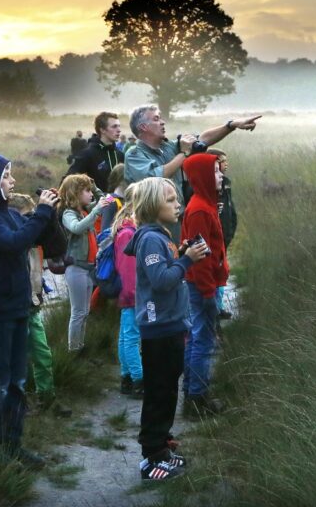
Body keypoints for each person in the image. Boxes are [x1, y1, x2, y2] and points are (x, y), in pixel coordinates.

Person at [0, 152, 58, 469]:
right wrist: (42, 214)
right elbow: (15, 243)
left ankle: (13, 443)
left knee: (18, 382)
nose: (13, 180)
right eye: (6, 175)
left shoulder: (11, 214)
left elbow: (50, 243)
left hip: (18, 306)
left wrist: (51, 213)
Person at [123, 177, 208, 481]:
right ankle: (152, 458)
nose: (178, 204)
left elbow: (162, 271)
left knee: (167, 388)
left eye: (176, 199)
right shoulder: (151, 239)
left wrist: (180, 254)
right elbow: (161, 281)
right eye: (170, 200)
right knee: (160, 391)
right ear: (151, 205)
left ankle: (161, 443)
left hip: (169, 325)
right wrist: (186, 261)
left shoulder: (160, 235)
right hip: (159, 328)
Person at [125, 105, 261, 242]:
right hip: (154, 225)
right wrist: (185, 153)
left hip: (178, 219)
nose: (162, 122)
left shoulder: (168, 147)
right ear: (143, 127)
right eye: (156, 119)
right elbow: (156, 178)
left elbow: (203, 139)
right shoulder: (134, 155)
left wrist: (232, 125)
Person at [8, 193, 72, 419]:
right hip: (15, 305)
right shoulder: (11, 240)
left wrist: (51, 215)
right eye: (27, 217)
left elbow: (58, 247)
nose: (31, 223)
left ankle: (47, 398)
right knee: (18, 358)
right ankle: (18, 402)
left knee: (43, 354)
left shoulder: (34, 241)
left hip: (32, 303)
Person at [179, 154, 229, 418]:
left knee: (198, 337)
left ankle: (192, 391)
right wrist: (209, 291)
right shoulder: (199, 209)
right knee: (203, 340)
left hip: (203, 285)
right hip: (201, 286)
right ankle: (197, 398)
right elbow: (199, 257)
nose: (221, 176)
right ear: (203, 177)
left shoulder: (207, 205)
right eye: (216, 172)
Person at [57, 173, 109, 351]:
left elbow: (104, 200)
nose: (90, 194)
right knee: (78, 312)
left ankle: (81, 346)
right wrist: (95, 210)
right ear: (75, 193)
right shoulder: (68, 213)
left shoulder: (84, 211)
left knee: (85, 312)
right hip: (76, 269)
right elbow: (76, 228)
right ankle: (74, 350)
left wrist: (94, 187)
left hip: (88, 269)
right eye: (86, 191)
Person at [111, 186, 142, 398]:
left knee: (125, 337)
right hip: (132, 295)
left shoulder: (126, 230)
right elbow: (129, 271)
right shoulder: (128, 233)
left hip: (127, 294)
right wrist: (134, 296)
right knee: (131, 338)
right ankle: (139, 380)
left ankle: (126, 378)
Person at [206, 148, 237, 320]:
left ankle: (219, 306)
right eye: (223, 160)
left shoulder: (227, 182)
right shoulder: (210, 185)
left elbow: (230, 207)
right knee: (215, 274)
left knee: (222, 271)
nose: (226, 163)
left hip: (226, 234)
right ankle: (215, 309)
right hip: (216, 239)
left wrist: (231, 229)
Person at [66, 112, 124, 192]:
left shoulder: (120, 155)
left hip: (119, 203)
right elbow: (68, 181)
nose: (119, 130)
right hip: (99, 203)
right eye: (114, 127)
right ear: (102, 130)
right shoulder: (88, 154)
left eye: (119, 126)